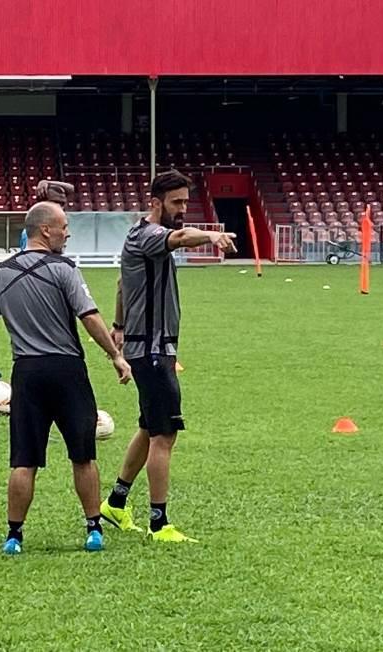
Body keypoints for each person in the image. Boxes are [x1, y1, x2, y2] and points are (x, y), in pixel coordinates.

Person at [0, 200, 132, 555]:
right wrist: (116, 356)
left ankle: (14, 535)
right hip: (66, 370)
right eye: (64, 226)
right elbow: (89, 316)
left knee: (23, 459)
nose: (68, 232)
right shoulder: (64, 269)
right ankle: (93, 528)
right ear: (46, 230)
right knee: (82, 455)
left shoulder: (2, 271)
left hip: (26, 373)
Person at [100, 170, 236, 543]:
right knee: (165, 434)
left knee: (149, 426)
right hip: (153, 351)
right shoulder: (149, 235)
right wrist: (211, 234)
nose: (182, 209)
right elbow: (177, 237)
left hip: (148, 346)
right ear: (155, 203)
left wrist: (118, 325)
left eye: (185, 202)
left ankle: (115, 502)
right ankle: (160, 524)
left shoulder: (139, 238)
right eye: (176, 202)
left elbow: (120, 284)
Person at [19, 180, 74, 250]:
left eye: (62, 204)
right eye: (56, 203)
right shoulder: (29, 235)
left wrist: (47, 182)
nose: (61, 208)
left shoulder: (59, 231)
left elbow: (71, 188)